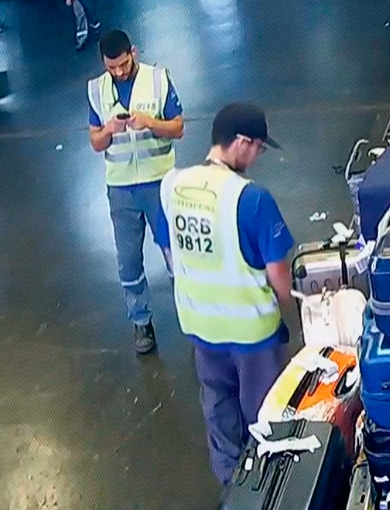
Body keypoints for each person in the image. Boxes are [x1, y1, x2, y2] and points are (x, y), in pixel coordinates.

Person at [160, 103, 294, 487]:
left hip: (201, 329)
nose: (257, 157)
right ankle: (268, 490)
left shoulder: (172, 186)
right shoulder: (251, 199)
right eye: (258, 148)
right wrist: (293, 305)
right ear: (240, 143)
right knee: (264, 418)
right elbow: (278, 276)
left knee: (219, 416)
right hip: (251, 337)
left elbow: (173, 251)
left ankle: (231, 492)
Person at [87, 29, 184, 355]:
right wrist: (109, 130)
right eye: (111, 67)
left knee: (175, 254)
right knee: (128, 261)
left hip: (159, 184)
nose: (118, 72)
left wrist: (150, 123)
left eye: (123, 65)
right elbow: (95, 142)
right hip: (121, 190)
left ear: (134, 53)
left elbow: (179, 127)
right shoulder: (96, 90)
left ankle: (190, 314)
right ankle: (141, 321)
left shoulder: (158, 80)